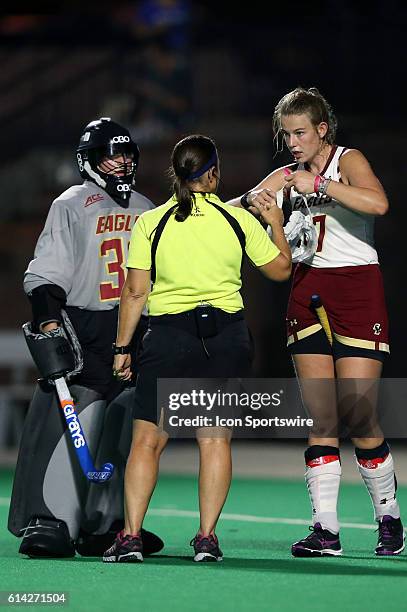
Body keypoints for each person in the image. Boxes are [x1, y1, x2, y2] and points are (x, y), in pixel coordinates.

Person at [229, 87, 405, 557]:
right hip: (307, 290)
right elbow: (237, 207)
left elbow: (379, 204)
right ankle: (325, 531)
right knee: (322, 417)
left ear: (322, 130)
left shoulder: (348, 159)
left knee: (359, 414)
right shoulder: (288, 174)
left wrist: (322, 187)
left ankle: (387, 515)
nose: (292, 142)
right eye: (286, 134)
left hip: (357, 289)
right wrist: (248, 208)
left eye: (300, 132)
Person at [102, 134, 292, 563]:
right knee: (214, 439)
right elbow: (281, 270)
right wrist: (275, 222)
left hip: (168, 337)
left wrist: (121, 348)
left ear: (177, 173)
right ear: (213, 173)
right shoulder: (235, 219)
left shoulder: (152, 222)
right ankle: (206, 539)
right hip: (225, 337)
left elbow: (135, 293)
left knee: (147, 441)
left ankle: (130, 537)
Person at [8, 117, 164, 559]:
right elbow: (46, 272)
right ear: (90, 161)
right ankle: (50, 517)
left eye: (126, 153)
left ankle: (106, 521)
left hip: (134, 325)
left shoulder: (146, 205)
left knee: (121, 424)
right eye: (110, 154)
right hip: (86, 322)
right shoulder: (71, 204)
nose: (120, 162)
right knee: (71, 417)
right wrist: (48, 319)